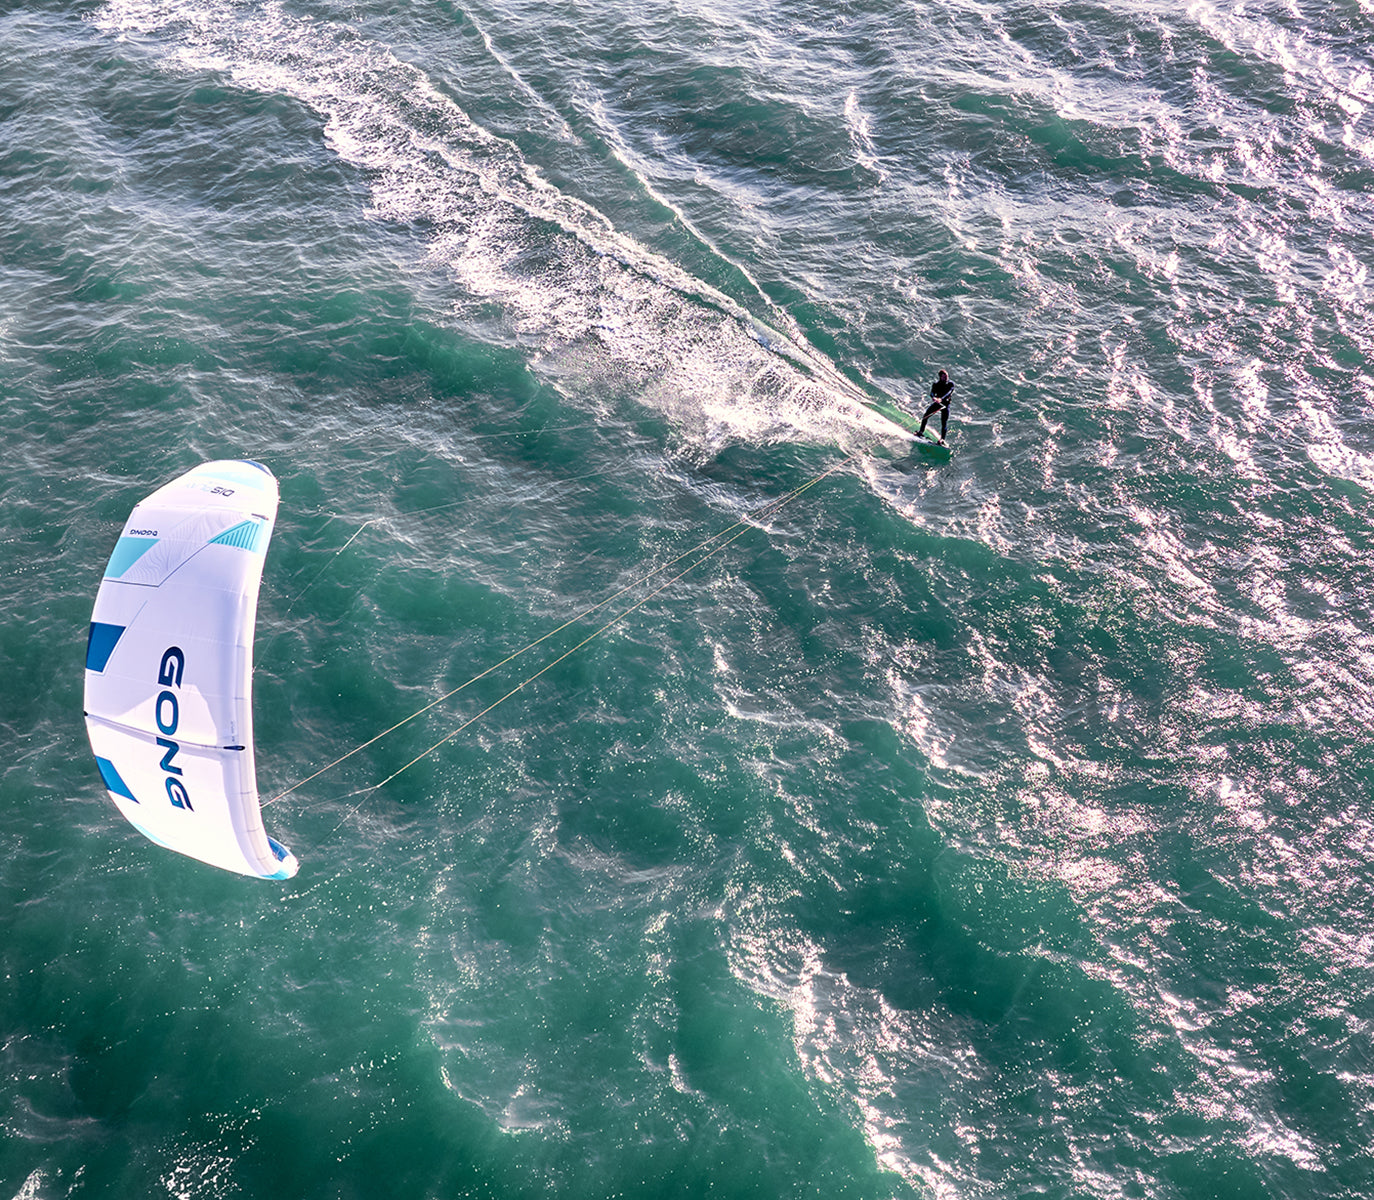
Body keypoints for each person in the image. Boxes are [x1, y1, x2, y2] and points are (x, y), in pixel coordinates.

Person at [916, 370, 954, 444]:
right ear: (940, 377)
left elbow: (949, 392)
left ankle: (942, 439)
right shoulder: (936, 384)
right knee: (925, 416)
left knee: (944, 422)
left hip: (945, 405)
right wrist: (933, 397)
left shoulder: (950, 384)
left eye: (947, 376)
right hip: (937, 404)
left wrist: (941, 399)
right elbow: (932, 392)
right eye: (944, 377)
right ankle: (921, 432)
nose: (946, 378)